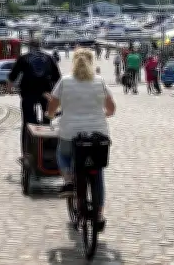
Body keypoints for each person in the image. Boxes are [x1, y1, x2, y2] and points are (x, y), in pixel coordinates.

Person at [46, 48, 115, 229]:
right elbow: (111, 109)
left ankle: (68, 180)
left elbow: (52, 106)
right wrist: (104, 114)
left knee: (62, 154)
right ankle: (99, 214)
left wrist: (50, 114)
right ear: (92, 62)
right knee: (97, 171)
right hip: (98, 136)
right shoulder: (100, 81)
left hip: (70, 133)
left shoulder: (65, 81)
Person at [8, 39, 62, 158]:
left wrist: (10, 89)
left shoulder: (23, 58)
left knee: (27, 121)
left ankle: (26, 152)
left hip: (28, 92)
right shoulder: (49, 58)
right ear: (40, 46)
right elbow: (57, 78)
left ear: (29, 47)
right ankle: (46, 149)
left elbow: (12, 76)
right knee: (47, 119)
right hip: (46, 93)